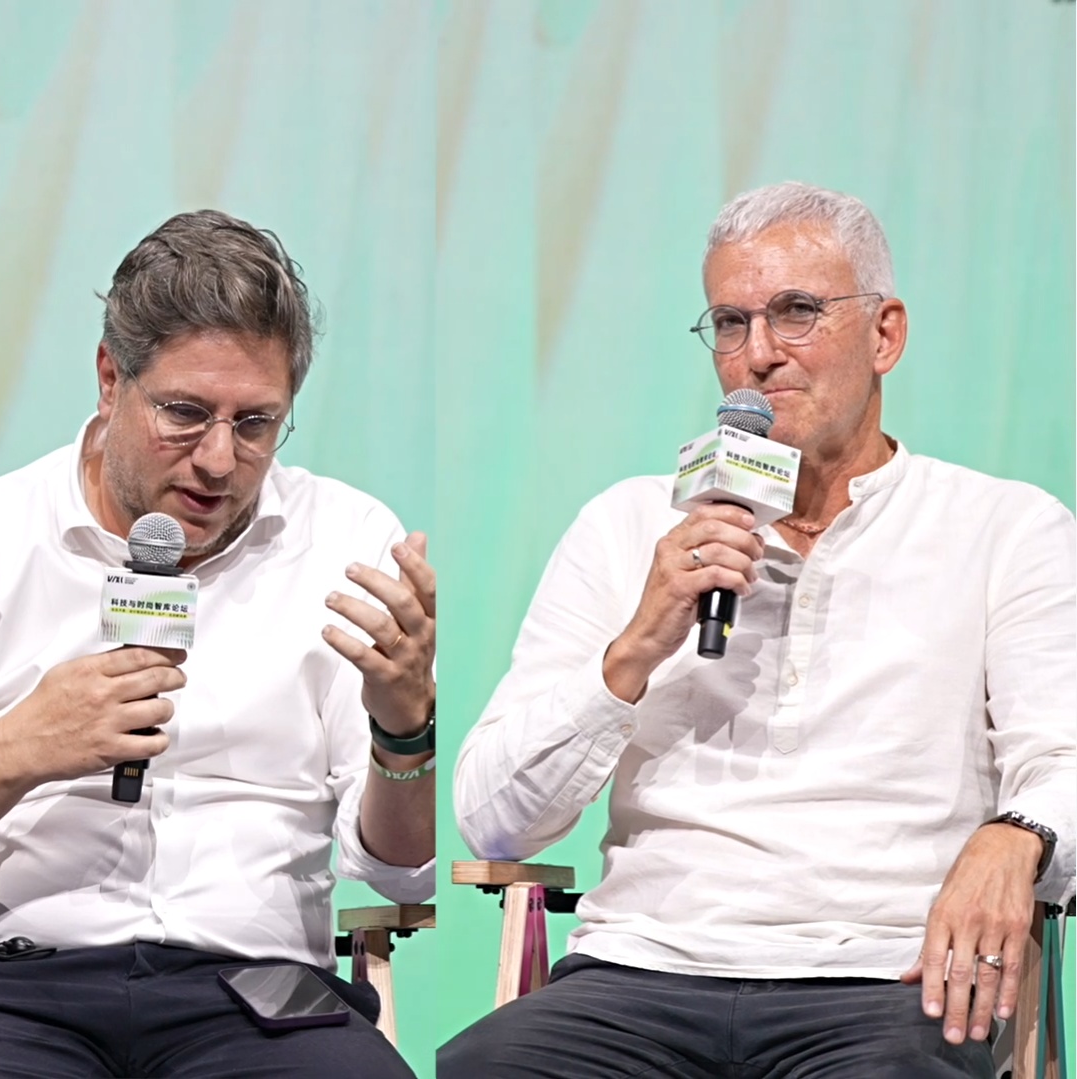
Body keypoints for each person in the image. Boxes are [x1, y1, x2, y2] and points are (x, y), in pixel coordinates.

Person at [438, 181, 1074, 1078]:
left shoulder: (1004, 528)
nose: (760, 354)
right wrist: (637, 645)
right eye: (731, 324)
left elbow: (1064, 757)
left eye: (797, 312)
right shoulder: (628, 525)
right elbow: (494, 823)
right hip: (642, 971)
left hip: (885, 977)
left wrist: (1017, 833)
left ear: (885, 334)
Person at [0, 210, 435, 1077]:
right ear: (109, 377)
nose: (219, 460)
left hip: (258, 992)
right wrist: (20, 747)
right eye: (186, 413)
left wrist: (404, 728)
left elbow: (402, 875)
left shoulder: (347, 541)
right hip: (1, 987)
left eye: (256, 423)